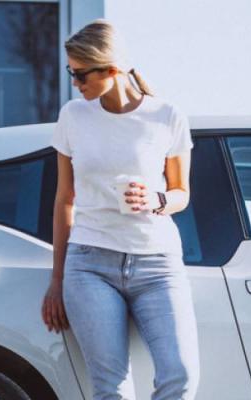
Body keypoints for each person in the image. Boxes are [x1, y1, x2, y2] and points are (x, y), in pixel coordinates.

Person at [40, 18, 199, 400]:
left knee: (180, 375)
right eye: (70, 73)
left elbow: (181, 193)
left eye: (81, 76)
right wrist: (57, 279)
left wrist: (157, 200)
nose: (75, 85)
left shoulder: (167, 117)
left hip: (157, 264)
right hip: (90, 263)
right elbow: (65, 200)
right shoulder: (74, 116)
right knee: (111, 387)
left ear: (112, 70)